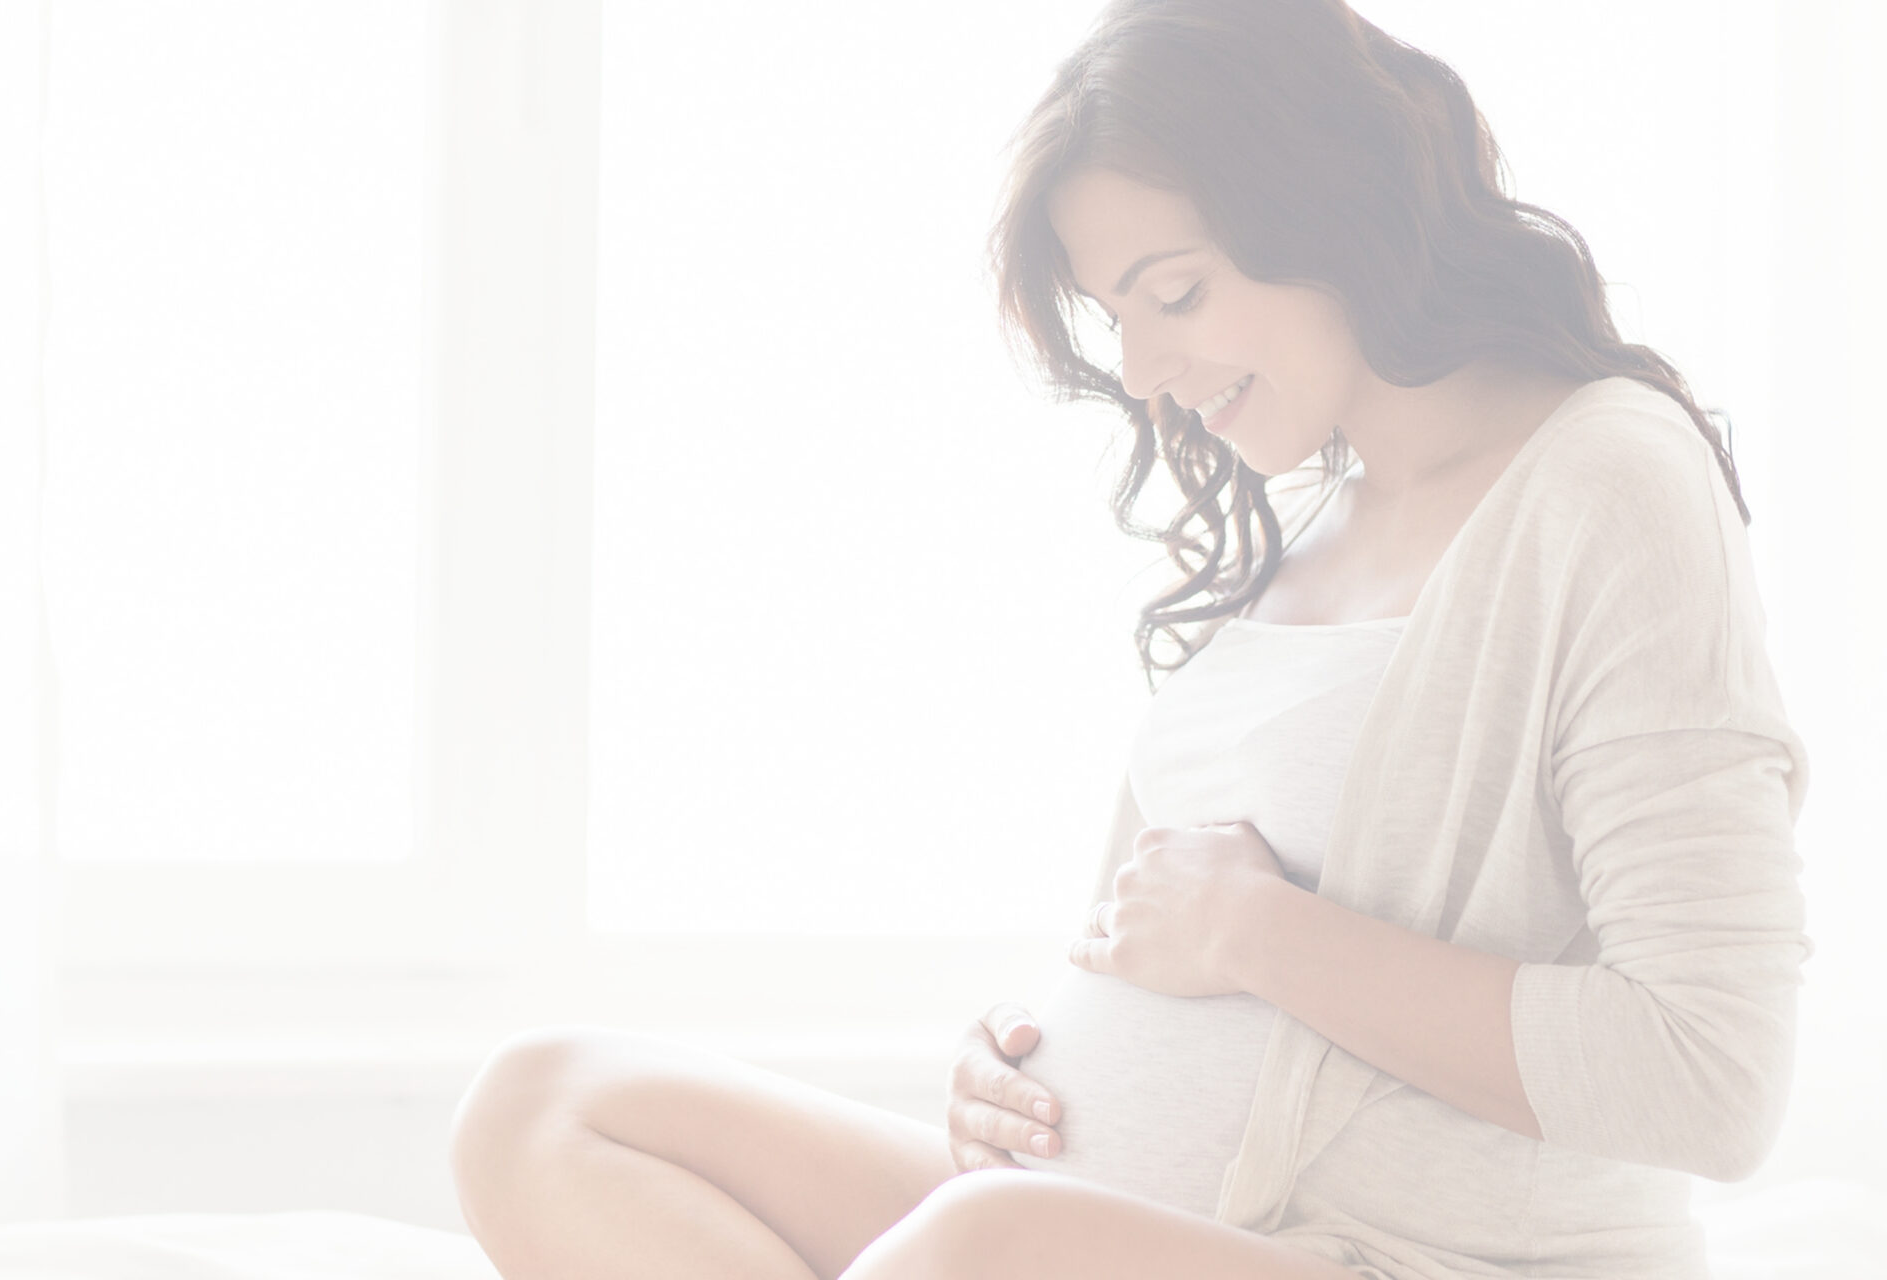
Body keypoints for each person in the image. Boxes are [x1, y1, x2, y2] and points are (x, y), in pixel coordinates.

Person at [446, 1, 1810, 1277]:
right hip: (1112, 1222)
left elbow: (1710, 1072)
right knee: (549, 1106)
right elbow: (1151, 948)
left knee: (981, 1248)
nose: (1146, 376)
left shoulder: (1605, 481)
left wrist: (1261, 937)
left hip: (1388, 1252)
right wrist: (1014, 1066)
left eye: (1177, 294)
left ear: (1328, 205)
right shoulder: (1312, 522)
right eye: (1118, 317)